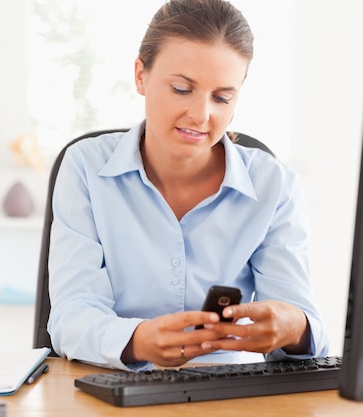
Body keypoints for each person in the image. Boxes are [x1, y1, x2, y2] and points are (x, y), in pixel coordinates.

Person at [48, 0, 329, 371]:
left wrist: (295, 328)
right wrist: (138, 341)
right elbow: (71, 315)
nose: (201, 115)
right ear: (141, 76)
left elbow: (306, 331)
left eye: (222, 97)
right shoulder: (85, 167)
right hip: (107, 389)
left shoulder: (275, 185)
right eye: (182, 89)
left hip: (224, 396)